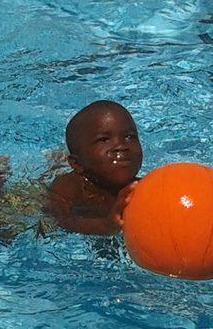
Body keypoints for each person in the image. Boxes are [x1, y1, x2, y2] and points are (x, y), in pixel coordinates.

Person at [46, 100, 143, 236]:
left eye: (129, 136)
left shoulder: (143, 188)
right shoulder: (68, 187)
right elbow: (60, 220)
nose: (121, 146)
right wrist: (104, 226)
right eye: (104, 139)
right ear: (77, 164)